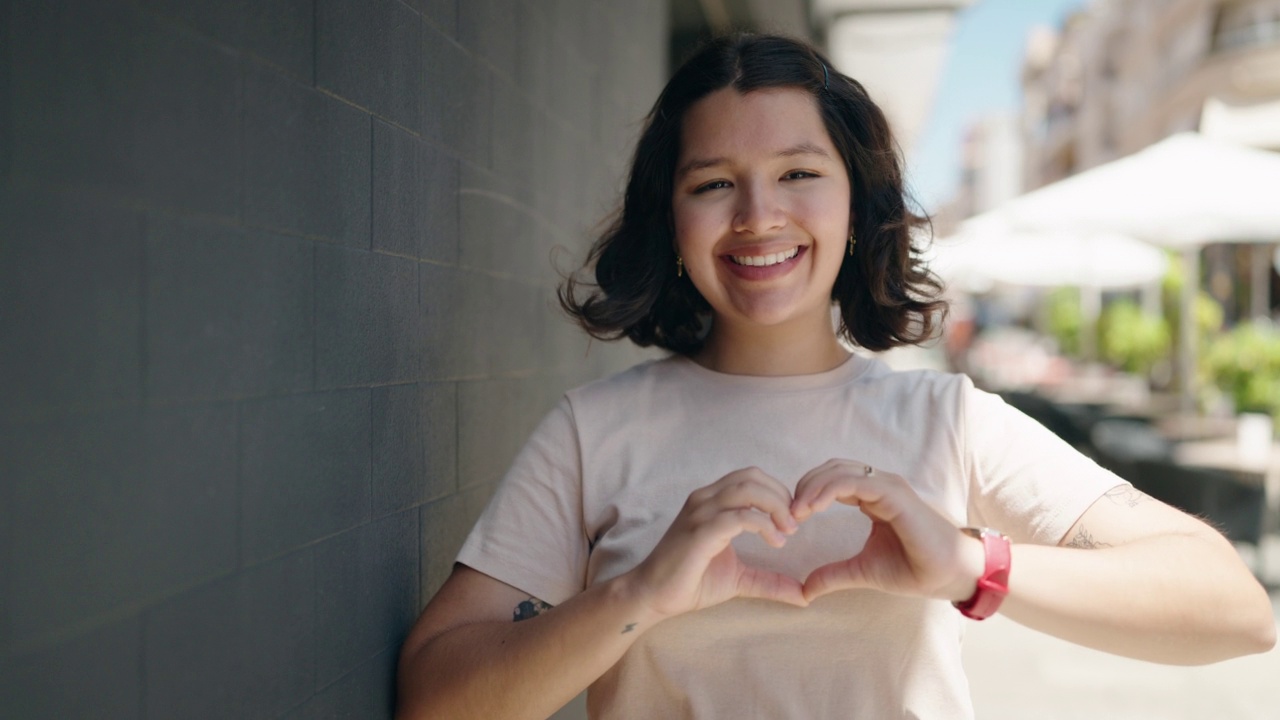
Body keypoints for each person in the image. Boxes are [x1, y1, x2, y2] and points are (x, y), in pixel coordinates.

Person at [395, 34, 1275, 720]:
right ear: (671, 217)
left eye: (798, 174)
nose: (757, 215)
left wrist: (971, 565)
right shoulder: (592, 433)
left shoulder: (948, 421)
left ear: (857, 205)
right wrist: (639, 594)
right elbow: (434, 700)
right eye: (712, 184)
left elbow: (1235, 607)